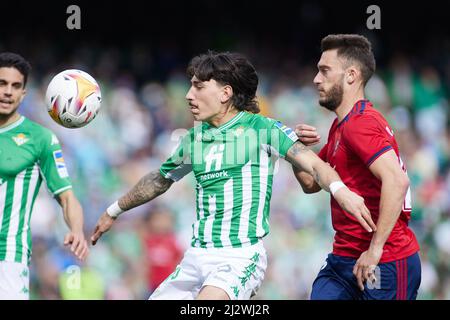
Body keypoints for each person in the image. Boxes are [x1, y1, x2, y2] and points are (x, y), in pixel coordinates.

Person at [91, 50, 375, 300]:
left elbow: (314, 166)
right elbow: (159, 180)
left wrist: (341, 191)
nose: (189, 95)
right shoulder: (194, 139)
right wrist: (114, 210)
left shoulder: (262, 128)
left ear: (225, 93)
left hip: (239, 256)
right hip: (196, 256)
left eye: (198, 87)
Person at [293, 34, 421, 300]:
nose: (316, 79)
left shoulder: (360, 124)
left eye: (324, 70)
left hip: (384, 262)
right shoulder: (343, 125)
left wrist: (374, 251)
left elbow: (397, 182)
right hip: (344, 259)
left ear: (351, 75)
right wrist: (296, 150)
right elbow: (311, 183)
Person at [0, 52, 89, 299]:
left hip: (7, 256)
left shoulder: (40, 139)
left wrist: (77, 230)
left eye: (15, 86)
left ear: (23, 94)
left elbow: (67, 197)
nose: (8, 91)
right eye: (2, 83)